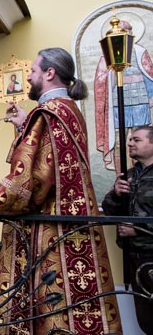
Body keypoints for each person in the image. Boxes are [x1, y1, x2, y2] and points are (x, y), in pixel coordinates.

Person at [0, 48, 122, 334]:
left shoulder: (48, 113)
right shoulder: (69, 110)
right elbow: (55, 159)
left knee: (51, 300)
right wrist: (26, 124)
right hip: (75, 221)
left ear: (50, 73)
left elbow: (31, 179)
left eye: (34, 71)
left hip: (53, 225)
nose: (29, 76)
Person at [102, 125, 153, 335]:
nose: (130, 143)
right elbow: (109, 208)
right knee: (146, 315)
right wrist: (116, 193)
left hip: (151, 253)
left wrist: (139, 230)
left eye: (137, 140)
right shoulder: (129, 175)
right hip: (134, 255)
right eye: (130, 139)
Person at [95, 19, 153, 171]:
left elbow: (149, 75)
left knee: (140, 139)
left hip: (140, 101)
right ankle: (121, 176)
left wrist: (151, 95)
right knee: (119, 141)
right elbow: (101, 80)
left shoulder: (140, 51)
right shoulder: (106, 55)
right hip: (117, 102)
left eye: (126, 32)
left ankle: (140, 172)